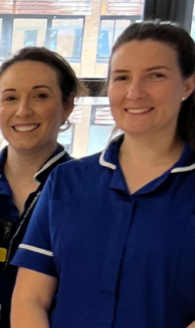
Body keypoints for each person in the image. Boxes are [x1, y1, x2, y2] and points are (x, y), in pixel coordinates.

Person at [11, 20, 195, 328]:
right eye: (122, 77)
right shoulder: (66, 182)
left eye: (156, 76)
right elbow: (30, 298)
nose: (134, 92)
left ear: (187, 86)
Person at [0, 47, 84, 327]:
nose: (23, 111)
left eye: (40, 96)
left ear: (67, 105)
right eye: (10, 98)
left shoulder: (86, 188)